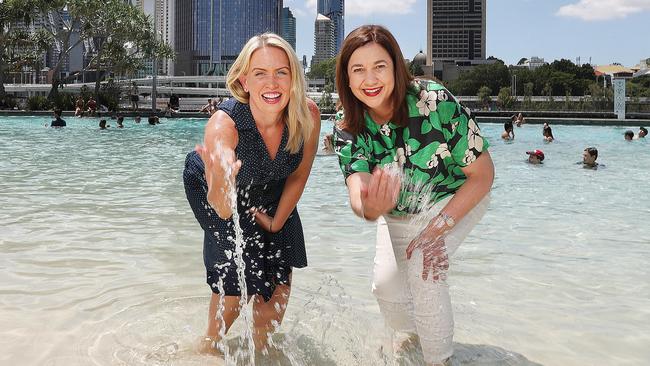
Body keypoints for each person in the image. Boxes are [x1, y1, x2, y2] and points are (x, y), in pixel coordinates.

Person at [332, 25, 494, 366]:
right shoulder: (346, 126)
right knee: (387, 293)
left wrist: (437, 230)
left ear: (396, 68)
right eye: (357, 69)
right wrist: (370, 206)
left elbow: (482, 176)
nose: (370, 78)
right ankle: (417, 336)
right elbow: (358, 193)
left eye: (379, 66)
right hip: (397, 209)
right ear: (346, 79)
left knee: (424, 265)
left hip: (455, 196)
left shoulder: (433, 101)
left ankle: (440, 359)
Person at [183, 33, 320, 356]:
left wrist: (277, 222)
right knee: (235, 282)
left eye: (281, 72)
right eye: (260, 73)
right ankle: (208, 348)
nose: (271, 83)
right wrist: (221, 180)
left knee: (275, 291)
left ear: (293, 77)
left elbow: (299, 174)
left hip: (272, 187)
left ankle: (263, 351)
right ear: (244, 80)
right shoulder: (224, 124)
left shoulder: (307, 115)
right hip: (216, 188)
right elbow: (222, 206)